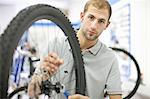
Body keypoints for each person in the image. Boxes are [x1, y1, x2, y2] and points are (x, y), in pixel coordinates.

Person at [28, 0, 122, 99]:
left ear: (107, 25)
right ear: (82, 16)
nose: (94, 26)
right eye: (91, 17)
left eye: (101, 21)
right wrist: (42, 77)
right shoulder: (55, 45)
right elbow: (32, 93)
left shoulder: (110, 58)